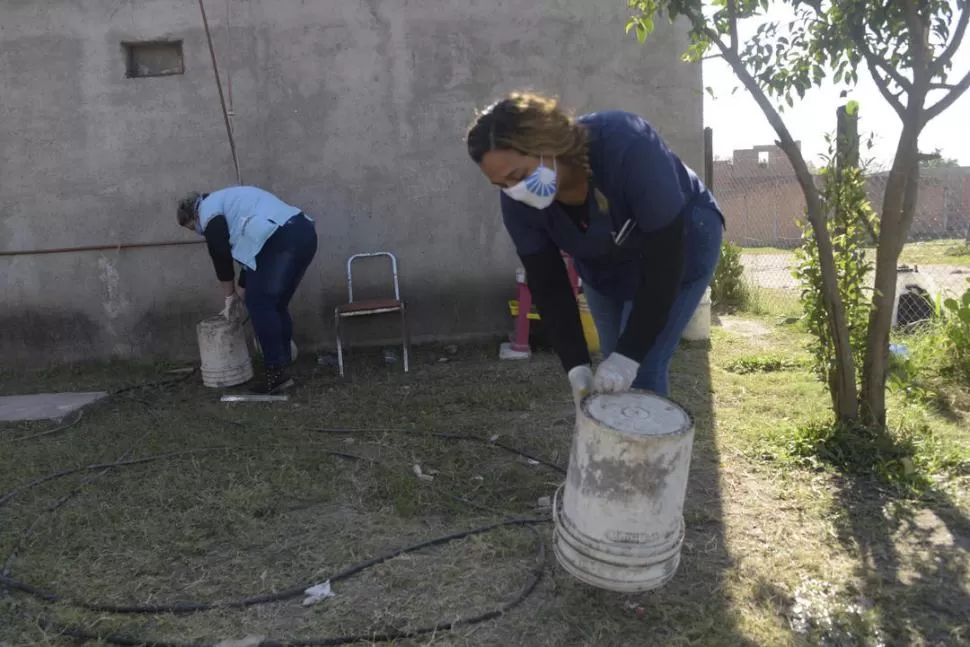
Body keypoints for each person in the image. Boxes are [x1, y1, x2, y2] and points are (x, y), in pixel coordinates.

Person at [465, 91, 724, 405]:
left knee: (639, 368)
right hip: (605, 261)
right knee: (612, 367)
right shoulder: (517, 202)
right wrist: (576, 366)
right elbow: (548, 284)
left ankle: (648, 454)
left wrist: (629, 357)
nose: (514, 191)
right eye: (502, 185)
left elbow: (665, 262)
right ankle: (615, 450)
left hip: (681, 243)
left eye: (518, 176)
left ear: (547, 145)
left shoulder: (627, 142)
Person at [177, 185, 318, 394]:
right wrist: (240, 294)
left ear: (193, 214)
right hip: (302, 232)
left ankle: (276, 374)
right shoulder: (231, 203)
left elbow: (219, 253)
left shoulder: (208, 210)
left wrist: (229, 295)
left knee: (261, 305)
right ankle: (283, 364)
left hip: (280, 238)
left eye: (192, 227)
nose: (198, 232)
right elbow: (250, 260)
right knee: (275, 305)